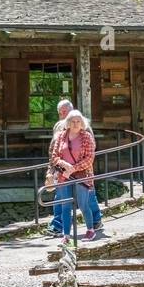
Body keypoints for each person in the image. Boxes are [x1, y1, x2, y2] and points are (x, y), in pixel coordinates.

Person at [45, 98, 102, 238]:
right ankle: (60, 228)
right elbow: (53, 151)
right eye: (60, 112)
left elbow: (90, 153)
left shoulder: (84, 129)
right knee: (62, 201)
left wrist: (74, 168)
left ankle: (94, 222)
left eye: (65, 111)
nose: (62, 114)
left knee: (87, 200)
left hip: (83, 172)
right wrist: (51, 171)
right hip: (63, 173)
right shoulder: (59, 128)